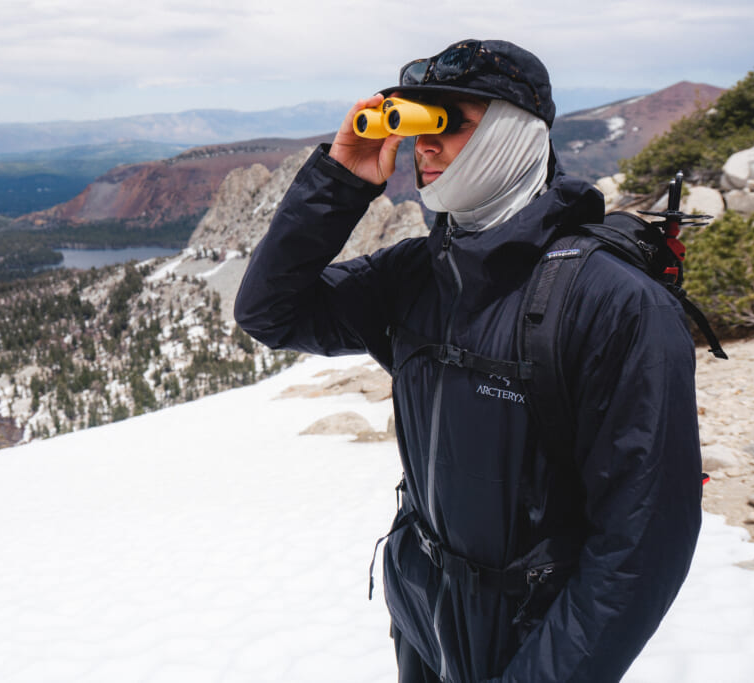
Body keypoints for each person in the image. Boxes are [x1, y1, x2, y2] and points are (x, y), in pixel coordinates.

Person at [234, 39, 702, 683]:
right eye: (415, 120)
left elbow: (643, 543)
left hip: (533, 634)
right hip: (427, 615)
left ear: (513, 135)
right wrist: (340, 182)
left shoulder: (614, 303)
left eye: (449, 122)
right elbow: (270, 313)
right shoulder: (421, 272)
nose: (424, 144)